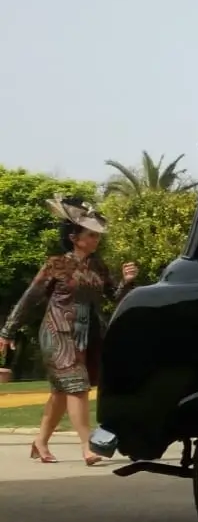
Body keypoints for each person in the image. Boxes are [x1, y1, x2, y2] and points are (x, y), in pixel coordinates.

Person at [0, 196, 137, 465]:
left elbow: (112, 297)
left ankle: (40, 442)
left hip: (86, 335)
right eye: (91, 234)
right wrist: (7, 331)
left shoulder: (98, 266)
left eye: (97, 234)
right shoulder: (57, 264)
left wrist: (127, 282)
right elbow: (30, 297)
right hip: (57, 332)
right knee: (77, 387)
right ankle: (89, 447)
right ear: (75, 237)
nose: (97, 238)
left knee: (61, 393)